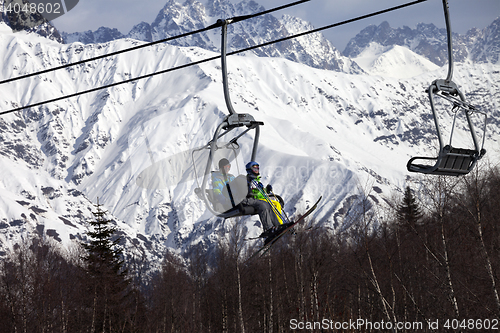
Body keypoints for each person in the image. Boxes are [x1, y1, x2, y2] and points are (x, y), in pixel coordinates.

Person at [240, 161, 284, 241]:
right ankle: (274, 227)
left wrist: (266, 190)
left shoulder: (256, 180)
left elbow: (261, 192)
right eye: (254, 168)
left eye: (257, 168)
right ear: (250, 170)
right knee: (270, 204)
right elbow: (251, 192)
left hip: (260, 198)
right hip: (256, 199)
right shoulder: (249, 180)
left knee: (276, 204)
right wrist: (256, 189)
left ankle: (278, 225)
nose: (257, 170)